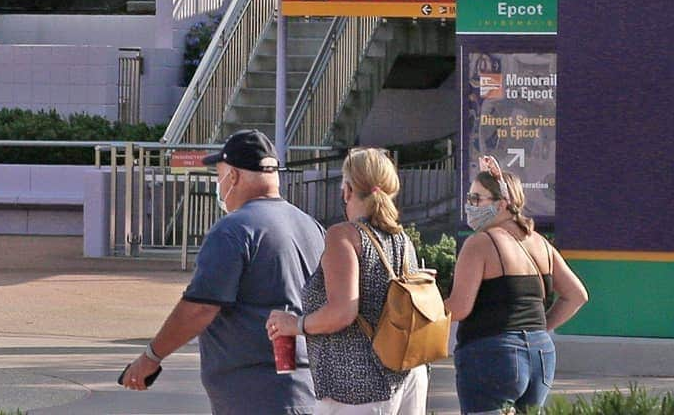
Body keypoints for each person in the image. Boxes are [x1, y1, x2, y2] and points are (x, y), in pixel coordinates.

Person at [121, 129, 325, 415]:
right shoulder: (312, 227)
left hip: (254, 396)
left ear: (234, 176)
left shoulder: (234, 230)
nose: (219, 184)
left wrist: (151, 357)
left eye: (219, 174)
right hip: (308, 390)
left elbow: (201, 307)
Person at [267, 147, 429, 415]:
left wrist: (294, 325)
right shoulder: (401, 239)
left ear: (348, 190)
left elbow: (342, 312)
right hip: (407, 375)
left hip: (356, 388)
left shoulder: (344, 236)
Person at [446, 155, 589, 413]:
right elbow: (576, 295)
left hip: (491, 352)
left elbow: (459, 308)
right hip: (541, 355)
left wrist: (419, 304)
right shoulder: (540, 243)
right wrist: (539, 327)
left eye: (477, 199)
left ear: (502, 205)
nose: (470, 206)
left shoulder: (480, 243)